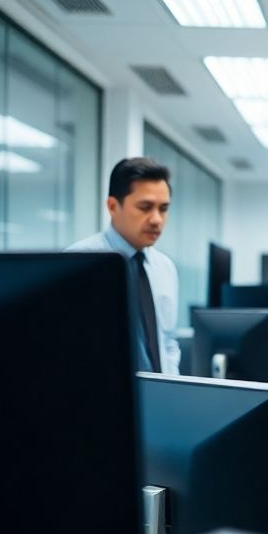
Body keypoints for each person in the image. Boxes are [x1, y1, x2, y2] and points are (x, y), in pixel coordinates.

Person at [68, 157, 179, 374]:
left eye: (163, 208)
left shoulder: (165, 268)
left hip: (160, 399)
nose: (157, 219)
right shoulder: (78, 263)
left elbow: (168, 344)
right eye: (145, 207)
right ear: (112, 206)